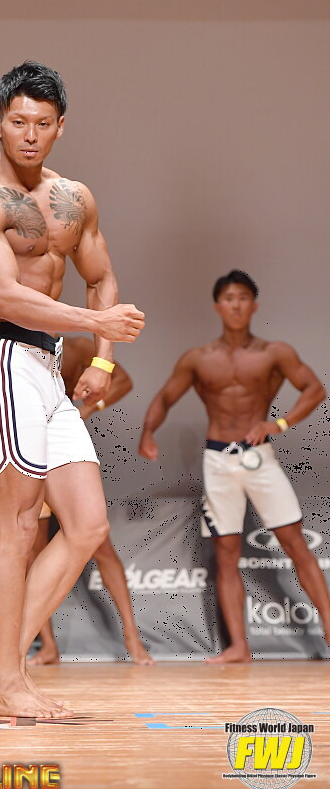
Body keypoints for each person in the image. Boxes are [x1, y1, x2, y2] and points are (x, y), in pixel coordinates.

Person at [0, 61, 145, 717]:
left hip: (49, 368)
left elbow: (101, 277)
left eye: (42, 123)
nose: (29, 135)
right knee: (18, 526)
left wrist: (103, 362)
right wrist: (96, 325)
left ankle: (2, 663)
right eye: (18, 122)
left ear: (61, 127)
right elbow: (7, 296)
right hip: (5, 362)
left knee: (87, 524)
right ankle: (8, 685)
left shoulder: (74, 198)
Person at [138, 269, 328, 663]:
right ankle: (239, 646)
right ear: (217, 307)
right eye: (228, 298)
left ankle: (329, 626)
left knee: (295, 543)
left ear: (254, 305)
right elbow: (166, 397)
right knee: (226, 554)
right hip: (218, 461)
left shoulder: (275, 352)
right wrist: (148, 432)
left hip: (259, 458)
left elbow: (315, 389)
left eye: (243, 297)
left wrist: (279, 423)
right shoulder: (198, 358)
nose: (236, 305)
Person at [0, 335, 153, 666]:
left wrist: (87, 409)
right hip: (29, 449)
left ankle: (133, 639)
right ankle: (42, 646)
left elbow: (122, 380)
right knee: (28, 548)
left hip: (60, 449)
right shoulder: (6, 351)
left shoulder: (77, 347)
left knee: (98, 541)